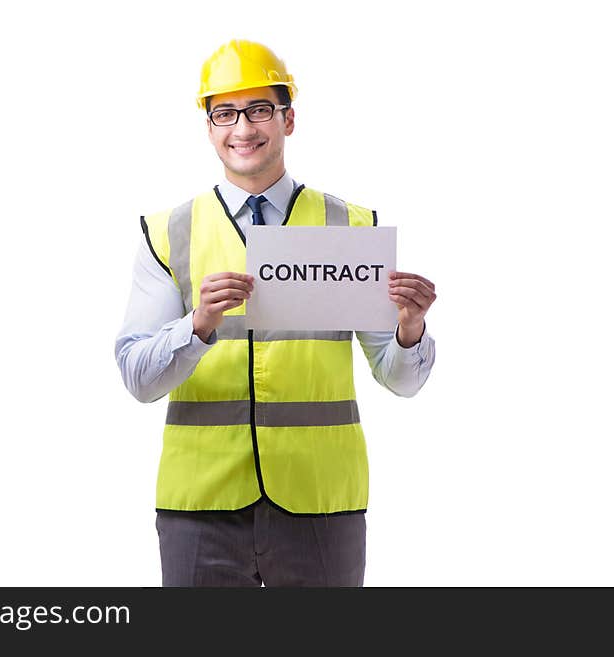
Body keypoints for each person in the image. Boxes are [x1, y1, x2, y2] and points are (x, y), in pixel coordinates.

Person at [115, 39, 436, 587]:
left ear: (289, 119)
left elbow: (400, 379)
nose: (243, 127)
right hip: (201, 502)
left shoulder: (350, 227)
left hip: (321, 498)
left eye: (259, 109)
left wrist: (410, 330)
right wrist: (195, 327)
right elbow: (139, 380)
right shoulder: (168, 232)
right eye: (225, 113)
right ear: (209, 125)